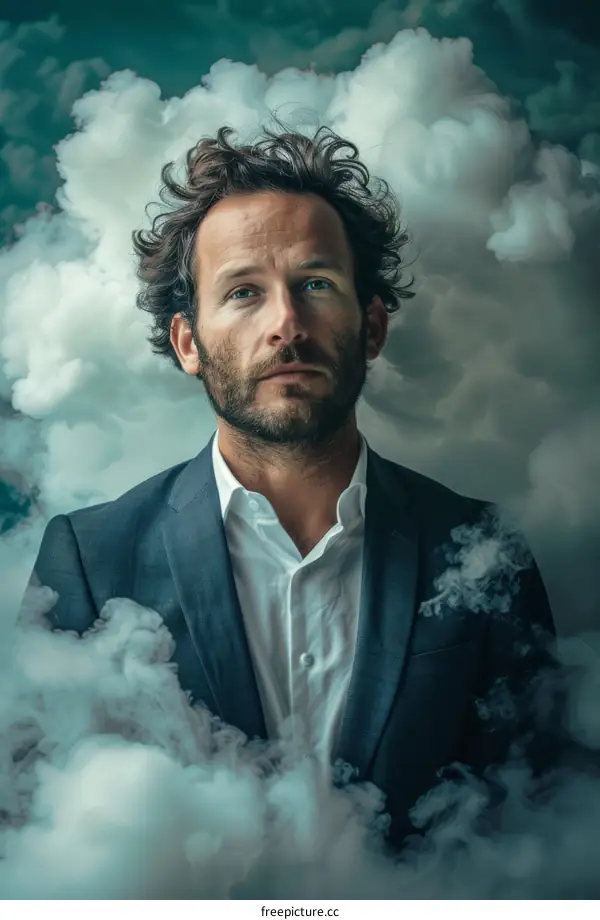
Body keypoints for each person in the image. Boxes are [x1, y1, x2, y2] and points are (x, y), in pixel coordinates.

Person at [22, 120, 563, 850]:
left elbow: (544, 819)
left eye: (315, 283)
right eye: (244, 292)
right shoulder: (88, 559)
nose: (286, 322)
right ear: (189, 343)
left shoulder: (485, 548)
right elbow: (29, 830)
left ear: (371, 326)